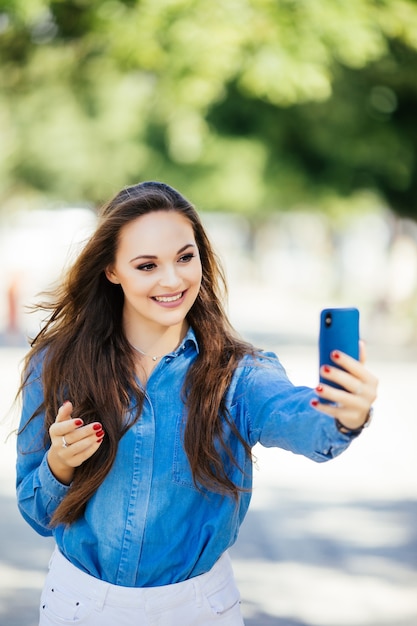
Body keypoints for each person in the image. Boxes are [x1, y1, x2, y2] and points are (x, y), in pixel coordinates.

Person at [16, 181, 378, 626]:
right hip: (77, 605)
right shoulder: (55, 364)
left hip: (198, 609)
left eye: (185, 258)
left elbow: (296, 416)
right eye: (147, 265)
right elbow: (36, 512)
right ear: (112, 270)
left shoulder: (237, 372)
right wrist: (59, 464)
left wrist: (346, 413)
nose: (173, 279)